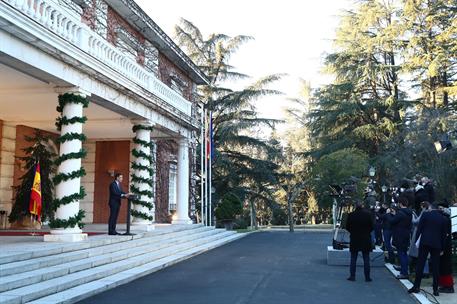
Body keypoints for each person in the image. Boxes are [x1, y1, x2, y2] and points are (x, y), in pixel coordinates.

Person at [408, 203, 447, 296]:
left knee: (420, 264)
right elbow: (443, 235)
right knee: (435, 267)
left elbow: (419, 229)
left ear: (430, 208)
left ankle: (416, 286)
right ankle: (435, 289)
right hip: (437, 244)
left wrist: (417, 241)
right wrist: (442, 247)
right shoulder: (442, 218)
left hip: (425, 242)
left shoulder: (425, 214)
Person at [346, 200, 374, 282]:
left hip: (354, 238)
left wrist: (353, 232)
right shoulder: (368, 214)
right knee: (366, 258)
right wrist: (367, 232)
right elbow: (372, 226)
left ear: (355, 206)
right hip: (365, 238)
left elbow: (347, 226)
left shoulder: (351, 215)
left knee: (353, 258)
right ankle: (367, 277)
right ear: (362, 206)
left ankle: (352, 276)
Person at [389, 197, 412, 279]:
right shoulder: (410, 213)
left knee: (401, 253)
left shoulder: (400, 213)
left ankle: (404, 272)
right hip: (406, 234)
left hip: (399, 235)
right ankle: (404, 268)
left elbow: (392, 221)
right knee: (404, 253)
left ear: (400, 204)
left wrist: (391, 215)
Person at [437, 202, 454, 293]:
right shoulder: (446, 218)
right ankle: (444, 284)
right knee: (443, 266)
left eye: (441, 208)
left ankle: (448, 286)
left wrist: (442, 248)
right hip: (445, 244)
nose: (440, 210)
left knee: (445, 266)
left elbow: (445, 235)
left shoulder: (445, 219)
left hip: (445, 245)